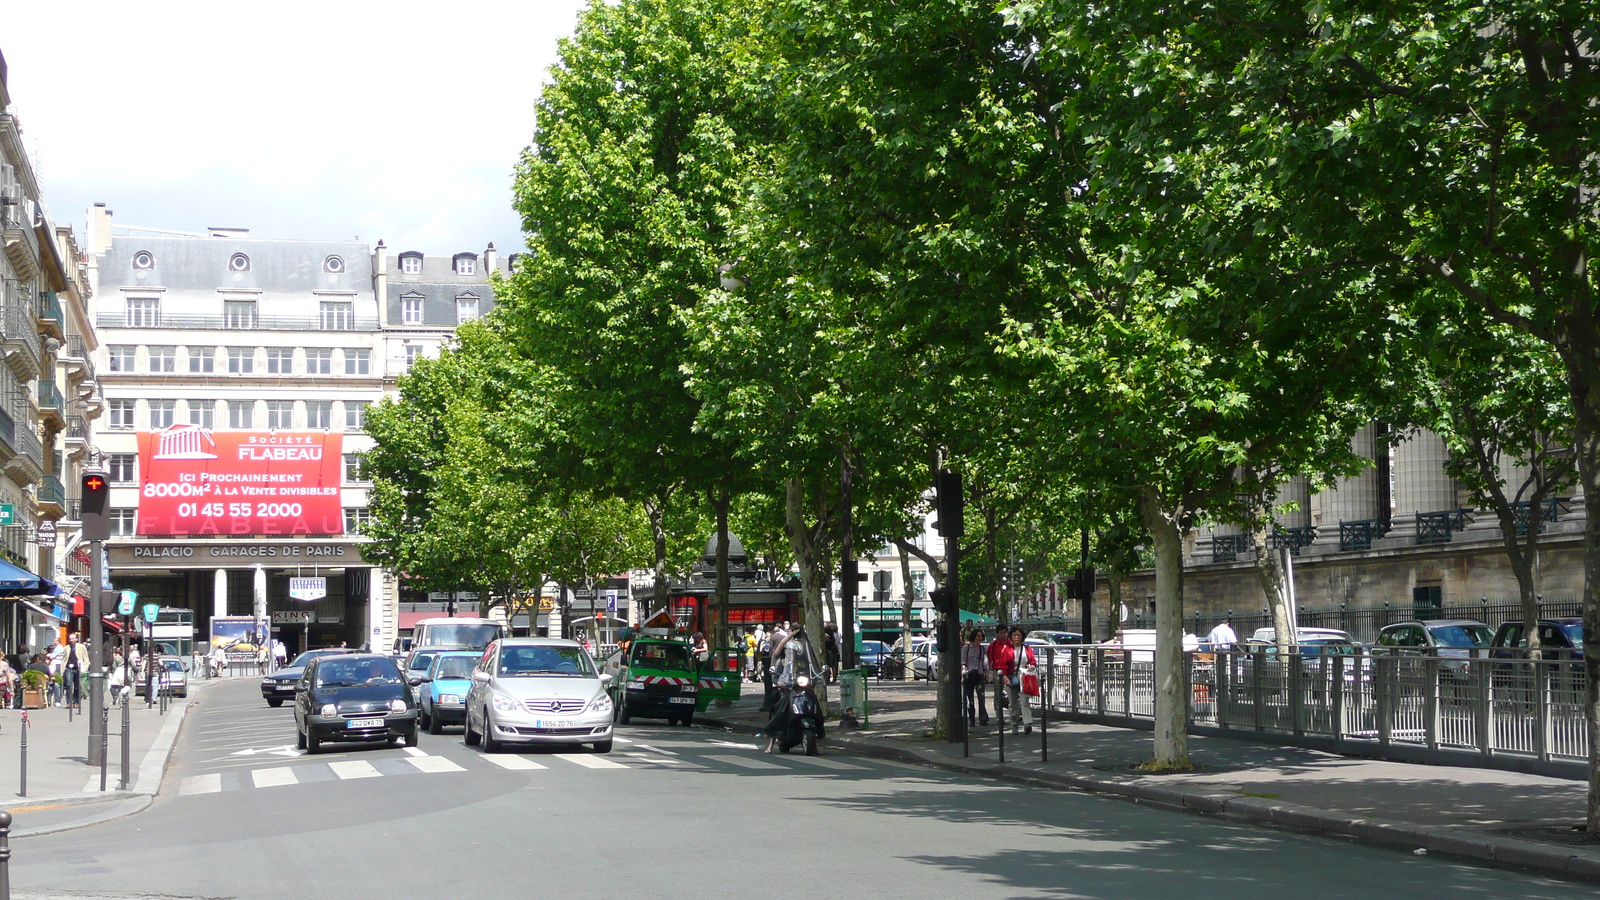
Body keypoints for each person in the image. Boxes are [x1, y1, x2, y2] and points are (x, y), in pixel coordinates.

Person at [763, 624, 822, 753]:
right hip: (785, 686)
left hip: (801, 686)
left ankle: (816, 742)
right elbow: (777, 652)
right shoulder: (784, 655)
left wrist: (816, 676)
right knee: (777, 709)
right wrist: (780, 681)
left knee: (815, 706)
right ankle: (771, 743)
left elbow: (812, 664)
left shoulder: (803, 649)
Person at [994, 628, 1035, 735]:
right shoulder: (1007, 649)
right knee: (1012, 703)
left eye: (1018, 635)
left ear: (1022, 637)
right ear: (1011, 637)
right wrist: (1005, 677)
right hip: (1011, 678)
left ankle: (1027, 723)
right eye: (1014, 635)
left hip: (1024, 678)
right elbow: (1002, 664)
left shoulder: (1027, 649)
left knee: (1024, 701)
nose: (1016, 637)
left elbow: (1033, 661)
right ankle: (1014, 723)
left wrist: (1032, 666)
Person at [961, 629, 991, 727]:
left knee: (981, 696)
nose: (979, 638)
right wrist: (963, 675)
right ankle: (972, 719)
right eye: (978, 636)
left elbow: (985, 663)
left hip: (979, 674)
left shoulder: (982, 649)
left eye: (981, 636)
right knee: (970, 699)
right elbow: (963, 662)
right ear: (973, 636)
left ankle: (983, 719)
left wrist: (987, 676)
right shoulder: (967, 647)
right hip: (969, 674)